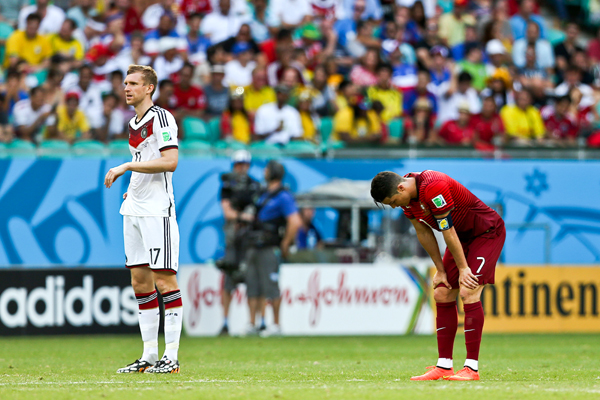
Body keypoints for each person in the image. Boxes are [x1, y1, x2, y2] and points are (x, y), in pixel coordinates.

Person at [370, 170, 506, 381]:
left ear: (401, 187)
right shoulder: (408, 199)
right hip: (461, 238)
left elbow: (447, 231)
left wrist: (463, 269)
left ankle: (472, 368)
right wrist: (440, 271)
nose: (395, 206)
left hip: (486, 233)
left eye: (394, 201)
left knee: (469, 290)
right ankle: (444, 366)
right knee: (442, 293)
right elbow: (423, 232)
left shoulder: (433, 187)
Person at [104, 65, 182, 374]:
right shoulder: (133, 122)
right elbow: (144, 160)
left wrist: (125, 168)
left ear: (149, 88)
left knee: (164, 279)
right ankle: (149, 355)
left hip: (156, 210)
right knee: (139, 281)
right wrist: (132, 190)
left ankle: (171, 356)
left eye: (134, 83)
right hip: (134, 208)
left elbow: (170, 161)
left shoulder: (161, 118)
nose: (127, 88)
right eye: (125, 83)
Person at [245, 160, 301, 337]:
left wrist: (285, 243)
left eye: (267, 169)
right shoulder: (263, 193)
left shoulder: (283, 196)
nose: (264, 172)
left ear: (274, 173)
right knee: (253, 285)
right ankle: (252, 324)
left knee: (271, 286)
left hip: (269, 246)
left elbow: (295, 221)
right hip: (254, 244)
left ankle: (276, 324)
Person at [218, 150, 261, 336]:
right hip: (233, 237)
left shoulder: (254, 185)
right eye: (238, 164)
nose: (242, 168)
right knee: (229, 281)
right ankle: (225, 322)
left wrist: (247, 217)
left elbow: (257, 212)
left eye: (245, 164)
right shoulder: (227, 185)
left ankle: (253, 323)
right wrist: (243, 217)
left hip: (249, 238)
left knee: (252, 280)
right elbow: (228, 212)